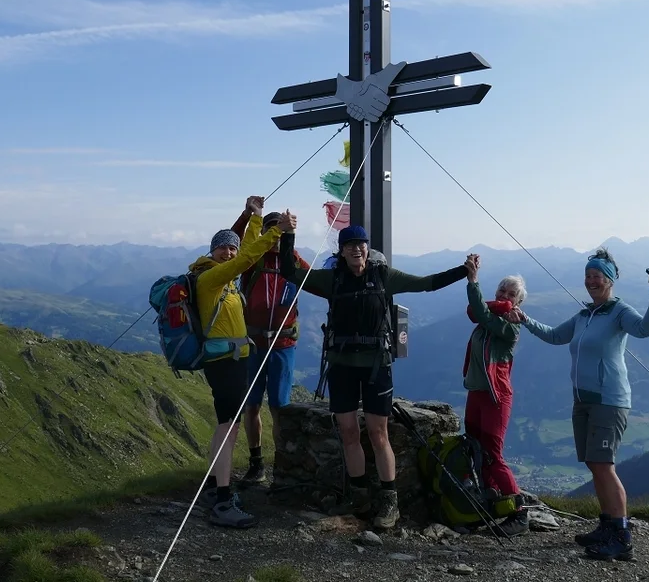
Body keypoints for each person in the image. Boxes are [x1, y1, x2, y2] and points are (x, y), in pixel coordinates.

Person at [278, 224, 469, 530]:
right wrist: (288, 234)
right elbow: (290, 271)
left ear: (367, 248)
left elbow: (427, 284)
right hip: (341, 366)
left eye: (361, 244)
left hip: (376, 365)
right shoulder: (332, 279)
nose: (356, 249)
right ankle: (359, 497)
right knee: (349, 431)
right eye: (350, 245)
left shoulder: (383, 276)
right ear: (341, 251)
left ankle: (389, 501)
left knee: (379, 434)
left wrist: (464, 271)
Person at [507, 248, 649, 561]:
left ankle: (621, 537)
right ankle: (607, 525)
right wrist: (525, 319)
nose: (591, 280)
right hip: (582, 399)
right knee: (594, 464)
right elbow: (555, 336)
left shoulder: (619, 312)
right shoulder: (584, 315)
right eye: (588, 276)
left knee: (604, 465)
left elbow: (645, 329)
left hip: (609, 401)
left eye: (597, 276)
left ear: (609, 280)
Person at [186, 195, 296, 528]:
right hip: (224, 362)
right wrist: (275, 230)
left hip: (231, 360)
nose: (229, 252)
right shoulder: (211, 278)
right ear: (212, 251)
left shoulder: (222, 278)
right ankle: (223, 500)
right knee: (228, 429)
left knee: (226, 425)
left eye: (231, 248)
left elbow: (245, 248)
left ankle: (212, 487)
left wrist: (253, 216)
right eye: (222, 248)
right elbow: (249, 255)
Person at [226, 209, 317, 485]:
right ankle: (257, 464)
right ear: (264, 232)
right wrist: (247, 215)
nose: (276, 235)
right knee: (252, 405)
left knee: (279, 408)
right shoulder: (252, 259)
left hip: (282, 344)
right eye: (272, 229)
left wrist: (290, 239)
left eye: (281, 229)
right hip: (253, 344)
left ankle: (281, 466)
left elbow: (315, 281)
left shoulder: (293, 260)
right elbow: (233, 242)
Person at [461, 254, 530, 537]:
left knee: (492, 452)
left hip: (496, 396)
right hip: (477, 392)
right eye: (502, 290)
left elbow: (479, 311)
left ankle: (519, 512)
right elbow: (477, 311)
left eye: (511, 294)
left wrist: (473, 280)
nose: (504, 295)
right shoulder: (487, 320)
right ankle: (491, 502)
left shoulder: (509, 327)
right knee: (474, 448)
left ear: (518, 302)